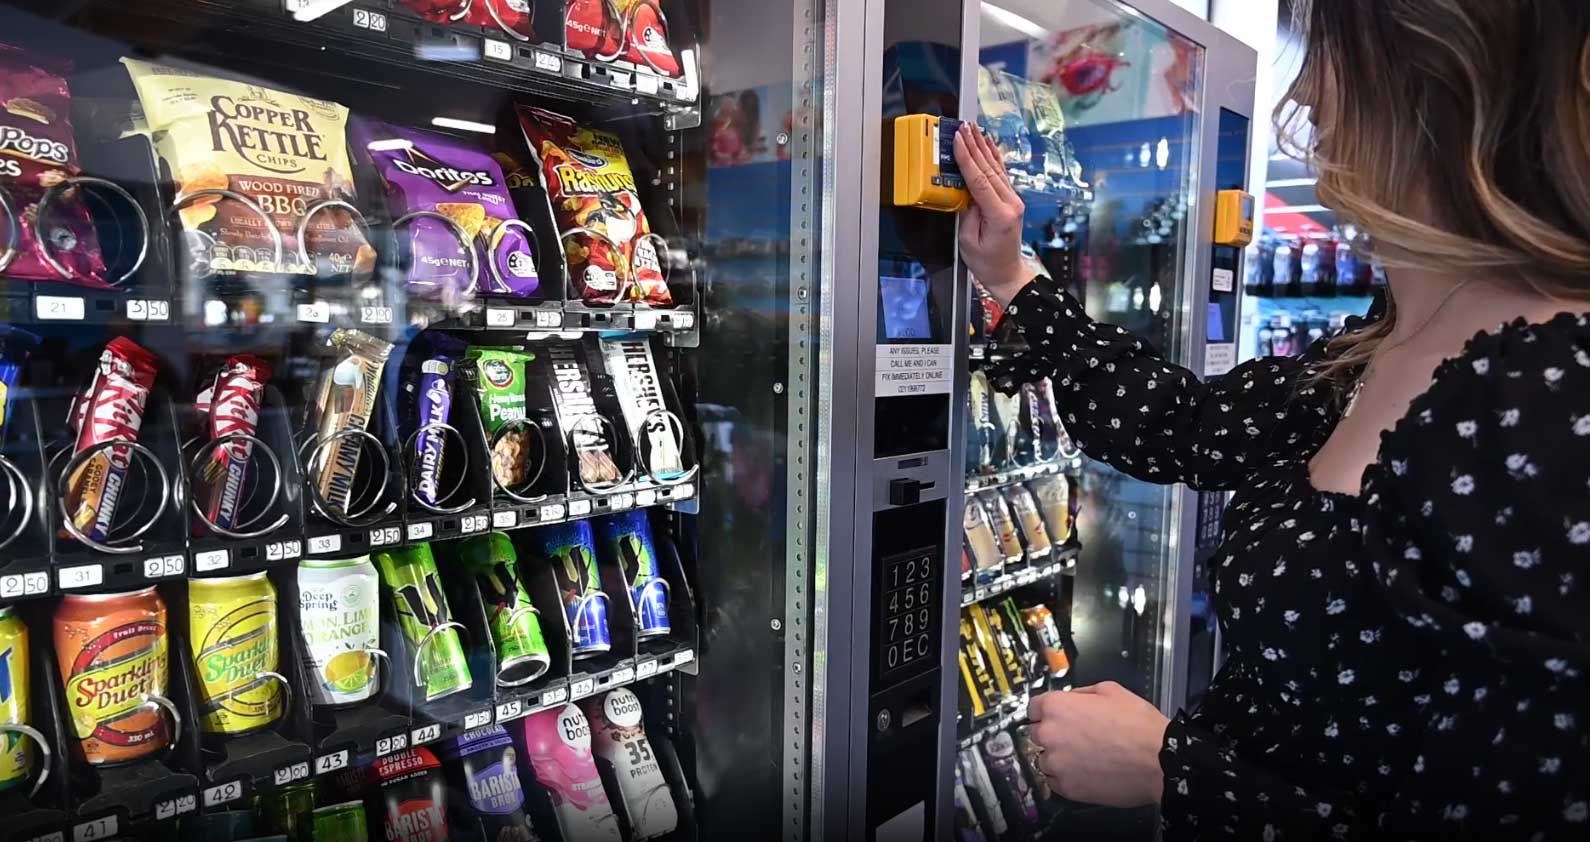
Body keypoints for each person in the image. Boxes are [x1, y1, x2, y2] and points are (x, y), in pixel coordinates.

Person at [952, 0, 1590, 837]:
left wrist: (1173, 772)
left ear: (1436, 75)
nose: (1307, 93)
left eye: (1326, 50)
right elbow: (1188, 425)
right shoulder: (1388, 331)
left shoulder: (1552, 397)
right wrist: (1013, 274)